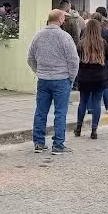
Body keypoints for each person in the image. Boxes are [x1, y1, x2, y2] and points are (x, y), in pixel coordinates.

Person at [28, 9, 79, 154]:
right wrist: (71, 78)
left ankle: (38, 143)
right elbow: (73, 60)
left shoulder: (38, 35)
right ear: (61, 19)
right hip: (61, 79)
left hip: (43, 79)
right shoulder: (65, 37)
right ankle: (58, 144)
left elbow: (30, 58)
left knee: (40, 111)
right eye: (64, 18)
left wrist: (39, 72)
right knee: (60, 112)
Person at [75, 19, 108, 139]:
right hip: (100, 76)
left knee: (83, 102)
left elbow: (76, 58)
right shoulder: (103, 43)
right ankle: (94, 130)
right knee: (97, 102)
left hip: (84, 76)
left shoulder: (81, 43)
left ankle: (78, 128)